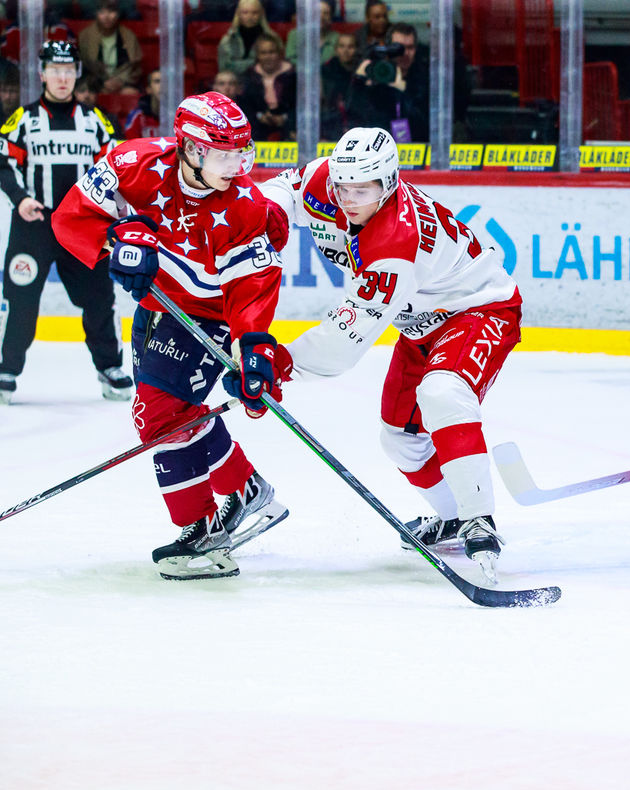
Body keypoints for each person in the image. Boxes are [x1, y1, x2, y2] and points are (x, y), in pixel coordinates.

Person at [258, 127, 521, 583]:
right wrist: (260, 220)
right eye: (343, 187)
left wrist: (281, 363)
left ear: (390, 182)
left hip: (478, 309)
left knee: (443, 391)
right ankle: (456, 517)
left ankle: (480, 520)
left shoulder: (396, 240)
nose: (349, 199)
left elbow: (346, 338)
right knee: (399, 438)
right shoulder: (328, 180)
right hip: (419, 325)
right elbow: (283, 190)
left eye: (364, 190)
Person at [50, 92, 291, 580]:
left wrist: (253, 351)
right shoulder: (131, 163)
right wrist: (117, 240)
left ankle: (200, 531)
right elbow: (69, 218)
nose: (237, 166)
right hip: (157, 305)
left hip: (211, 315)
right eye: (224, 155)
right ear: (191, 149)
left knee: (156, 416)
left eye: (241, 154)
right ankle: (245, 489)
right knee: (167, 414)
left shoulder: (246, 206)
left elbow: (252, 289)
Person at [0, 42, 128, 406]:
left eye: (68, 70)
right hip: (34, 225)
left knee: (100, 300)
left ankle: (110, 367)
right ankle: (5, 369)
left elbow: (115, 167)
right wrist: (21, 199)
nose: (61, 77)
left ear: (77, 74)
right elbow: (3, 163)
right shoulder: (22, 119)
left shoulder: (95, 120)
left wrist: (109, 211)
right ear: (41, 74)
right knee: (19, 299)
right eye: (55, 70)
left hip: (82, 227)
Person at [346, 22, 429, 142]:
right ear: (389, 48)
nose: (405, 53)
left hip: (415, 149)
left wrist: (403, 91)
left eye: (410, 48)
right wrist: (358, 81)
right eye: (399, 48)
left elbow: (425, 125)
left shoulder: (424, 76)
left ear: (416, 49)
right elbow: (353, 114)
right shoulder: (376, 73)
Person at [77, 0, 143, 95]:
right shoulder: (85, 36)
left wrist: (120, 81)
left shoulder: (129, 36)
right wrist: (102, 83)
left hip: (124, 84)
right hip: (95, 84)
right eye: (102, 12)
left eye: (111, 12)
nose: (107, 17)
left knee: (130, 93)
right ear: (95, 14)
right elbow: (84, 67)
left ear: (118, 14)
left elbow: (135, 68)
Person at [240, 36, 295, 141]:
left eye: (272, 52)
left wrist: (284, 118)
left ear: (279, 53)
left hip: (289, 124)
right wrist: (260, 116)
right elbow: (245, 105)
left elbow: (300, 106)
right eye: (263, 53)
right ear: (258, 56)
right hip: (257, 125)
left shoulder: (293, 75)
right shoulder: (249, 76)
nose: (268, 56)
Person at [218, 0, 282, 76]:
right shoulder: (227, 40)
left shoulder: (273, 38)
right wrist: (255, 63)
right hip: (235, 83)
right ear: (238, 14)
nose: (250, 17)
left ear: (261, 14)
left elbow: (278, 66)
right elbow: (224, 69)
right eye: (245, 12)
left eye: (254, 13)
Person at [320, 32, 358, 139]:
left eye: (350, 47)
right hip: (330, 127)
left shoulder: (362, 72)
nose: (346, 51)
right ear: (336, 49)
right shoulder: (326, 71)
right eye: (342, 46)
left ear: (357, 49)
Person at [123, 69, 161, 139]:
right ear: (149, 89)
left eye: (166, 81)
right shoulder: (138, 116)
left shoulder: (178, 114)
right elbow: (130, 144)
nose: (163, 85)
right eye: (157, 81)